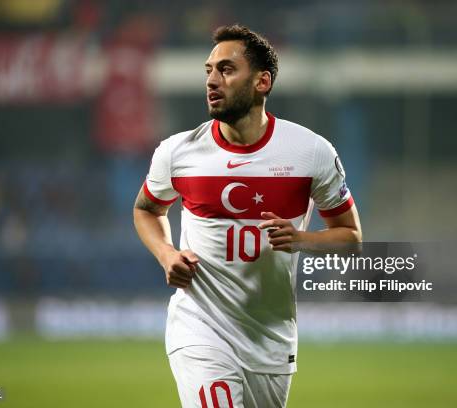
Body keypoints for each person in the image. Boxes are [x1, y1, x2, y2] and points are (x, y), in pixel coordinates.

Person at [133, 24, 362, 408]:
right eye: (208, 70)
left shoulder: (311, 153)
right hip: (200, 327)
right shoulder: (178, 152)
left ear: (262, 82)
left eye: (226, 69)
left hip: (271, 340)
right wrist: (166, 253)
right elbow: (146, 209)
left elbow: (351, 238)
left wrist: (301, 239)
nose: (211, 80)